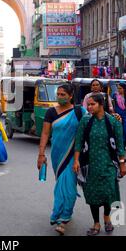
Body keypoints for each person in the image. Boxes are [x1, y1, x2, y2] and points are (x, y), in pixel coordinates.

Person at [73, 93, 126, 236]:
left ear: (101, 105)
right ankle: (96, 223)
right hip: (89, 165)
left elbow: (120, 145)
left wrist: (122, 163)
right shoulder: (85, 121)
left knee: (108, 193)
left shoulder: (113, 122)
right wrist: (76, 160)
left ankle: (107, 217)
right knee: (93, 195)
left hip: (108, 165)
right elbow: (78, 141)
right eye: (88, 104)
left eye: (92, 104)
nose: (89, 107)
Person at [37, 84, 87, 235]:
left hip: (75, 155)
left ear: (71, 96)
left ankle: (63, 218)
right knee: (61, 185)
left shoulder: (79, 111)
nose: (60, 97)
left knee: (69, 188)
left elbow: (92, 125)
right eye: (58, 94)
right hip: (57, 155)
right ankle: (61, 214)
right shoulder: (51, 112)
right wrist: (41, 154)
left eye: (63, 94)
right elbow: (45, 134)